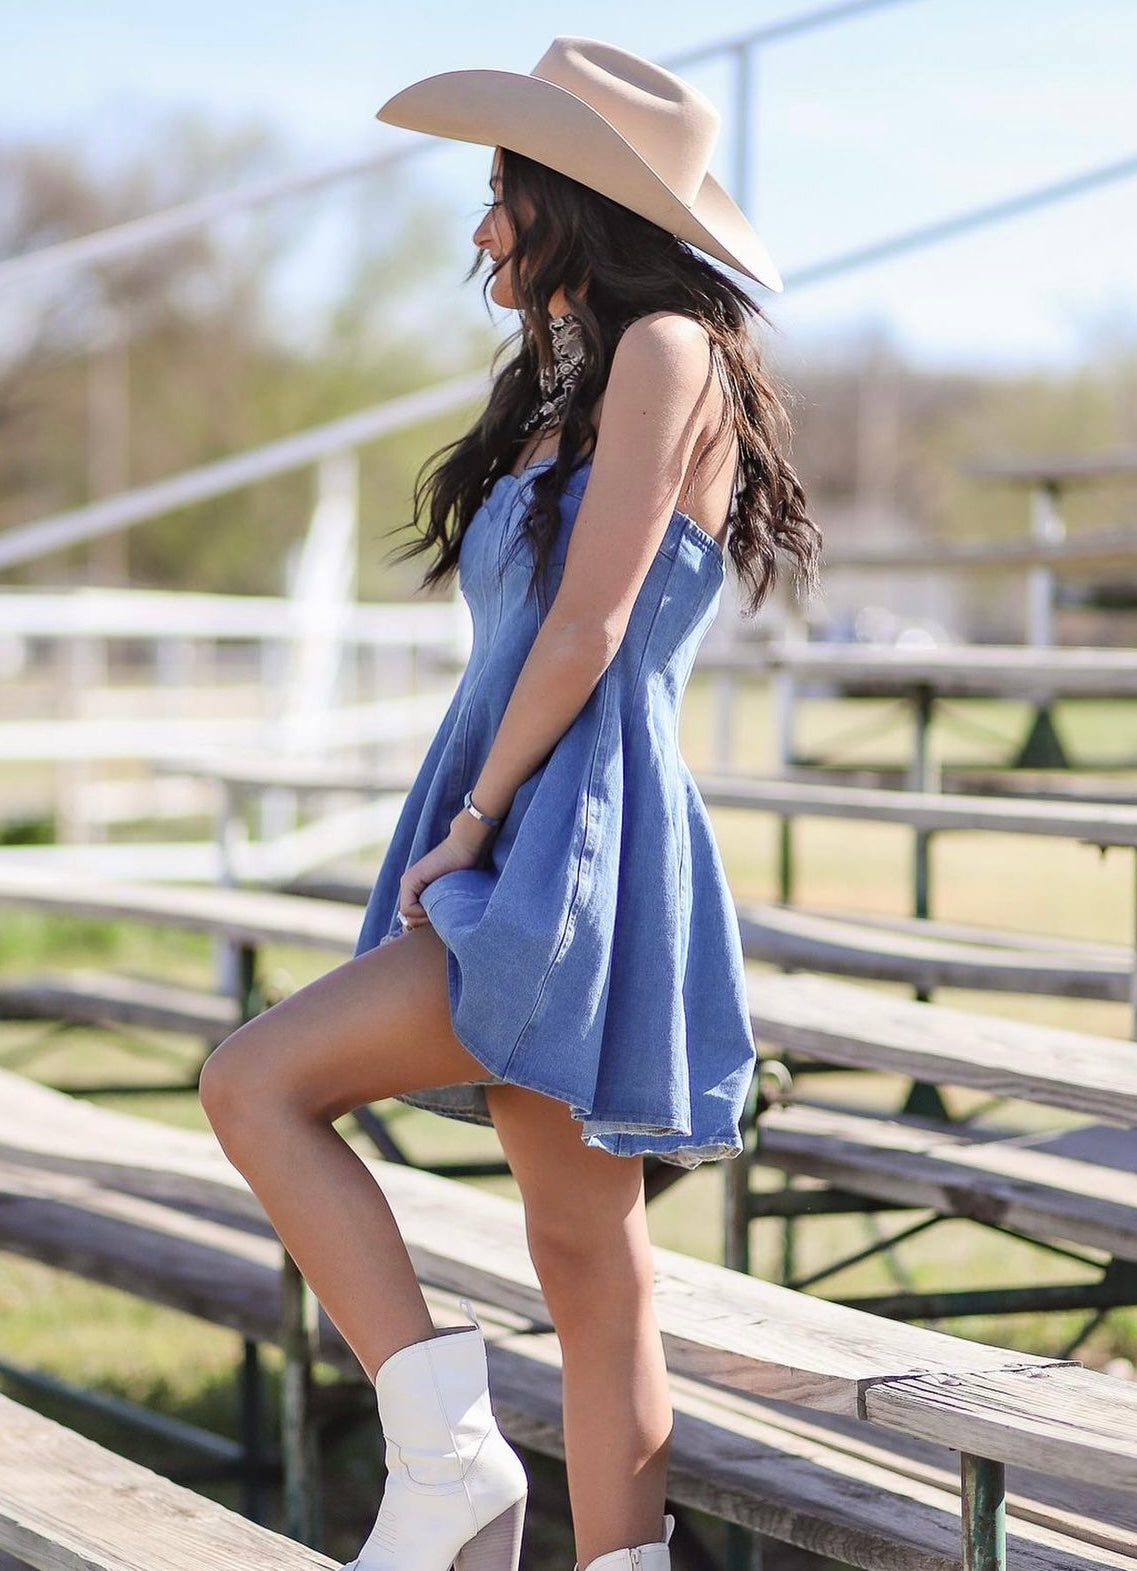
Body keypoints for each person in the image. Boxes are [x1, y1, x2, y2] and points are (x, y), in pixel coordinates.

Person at [198, 35, 821, 1571]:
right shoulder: (572, 378)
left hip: (567, 833)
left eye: (499, 192)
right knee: (586, 1261)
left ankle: (448, 1461)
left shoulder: (666, 348)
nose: (480, 226)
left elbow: (589, 631)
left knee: (255, 1082)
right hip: (533, 810)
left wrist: (469, 826)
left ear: (570, 201)